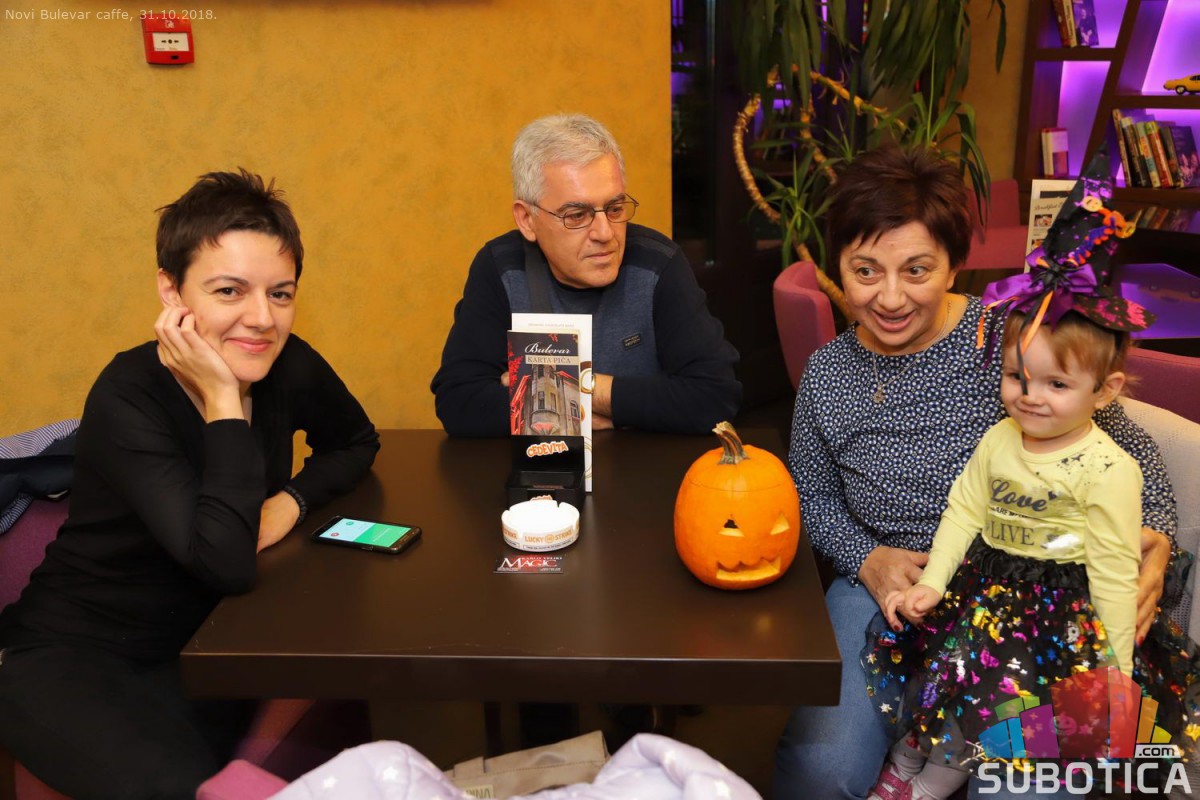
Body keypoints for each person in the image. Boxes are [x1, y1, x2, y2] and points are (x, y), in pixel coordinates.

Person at [774, 145, 1178, 800]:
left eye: (917, 269)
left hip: (1024, 594)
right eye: (866, 271)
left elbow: (1131, 448)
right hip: (884, 587)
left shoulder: (1010, 342)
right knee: (821, 770)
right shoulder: (828, 373)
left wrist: (1155, 536)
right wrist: (867, 559)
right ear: (838, 267)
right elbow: (812, 496)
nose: (890, 297)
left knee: (1020, 788)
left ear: (954, 264)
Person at [0, 169, 380, 798]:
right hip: (74, 656)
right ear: (170, 290)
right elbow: (225, 562)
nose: (262, 319)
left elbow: (356, 441)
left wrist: (289, 502)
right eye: (230, 290)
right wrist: (224, 401)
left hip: (199, 649)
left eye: (280, 294)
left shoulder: (289, 364)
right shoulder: (127, 395)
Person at [868, 306, 1153, 799]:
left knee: (992, 710)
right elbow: (963, 512)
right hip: (981, 594)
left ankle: (928, 789)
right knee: (942, 683)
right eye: (1016, 376)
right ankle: (906, 758)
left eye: (1056, 384)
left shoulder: (1110, 469)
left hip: (1051, 617)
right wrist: (933, 581)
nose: (1029, 396)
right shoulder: (999, 438)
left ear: (1104, 390)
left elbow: (1114, 574)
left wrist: (1116, 673)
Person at [431, 113, 741, 435]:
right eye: (577, 215)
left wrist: (575, 391)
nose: (605, 233)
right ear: (527, 220)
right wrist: (631, 406)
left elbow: (715, 397)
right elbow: (459, 402)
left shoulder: (658, 263)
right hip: (546, 464)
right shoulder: (501, 268)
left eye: (615, 209)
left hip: (644, 464)